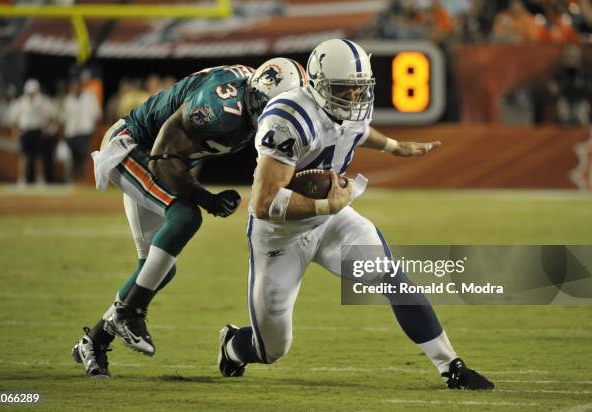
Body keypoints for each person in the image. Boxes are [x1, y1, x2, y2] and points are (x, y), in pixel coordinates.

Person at [218, 39, 494, 390]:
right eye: (343, 89)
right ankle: (232, 346)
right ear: (317, 84)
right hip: (281, 235)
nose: (353, 97)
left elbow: (358, 130)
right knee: (272, 348)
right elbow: (263, 204)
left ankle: (451, 366)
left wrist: (396, 147)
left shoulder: (350, 106)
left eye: (358, 89)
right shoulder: (288, 119)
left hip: (332, 221)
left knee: (392, 277)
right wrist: (325, 205)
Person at [71, 59, 307, 378]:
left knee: (156, 270)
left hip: (156, 155)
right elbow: (163, 157)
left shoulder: (259, 92)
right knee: (186, 217)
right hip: (132, 146)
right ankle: (129, 312)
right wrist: (206, 198)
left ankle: (94, 341)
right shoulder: (220, 106)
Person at [10, 79, 54, 185]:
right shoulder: (21, 102)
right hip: (25, 131)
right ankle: (21, 179)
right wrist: (14, 131)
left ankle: (40, 178)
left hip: (38, 131)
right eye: (30, 92)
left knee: (39, 157)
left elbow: (52, 115)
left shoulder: (42, 102)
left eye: (33, 92)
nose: (31, 94)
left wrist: (47, 127)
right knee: (24, 156)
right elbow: (14, 118)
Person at [61, 79, 102, 182]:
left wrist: (93, 126)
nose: (75, 88)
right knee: (73, 158)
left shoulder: (89, 97)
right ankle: (73, 179)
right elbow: (62, 118)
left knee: (84, 156)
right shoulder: (67, 100)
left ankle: (84, 179)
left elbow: (98, 114)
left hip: (85, 131)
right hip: (71, 132)